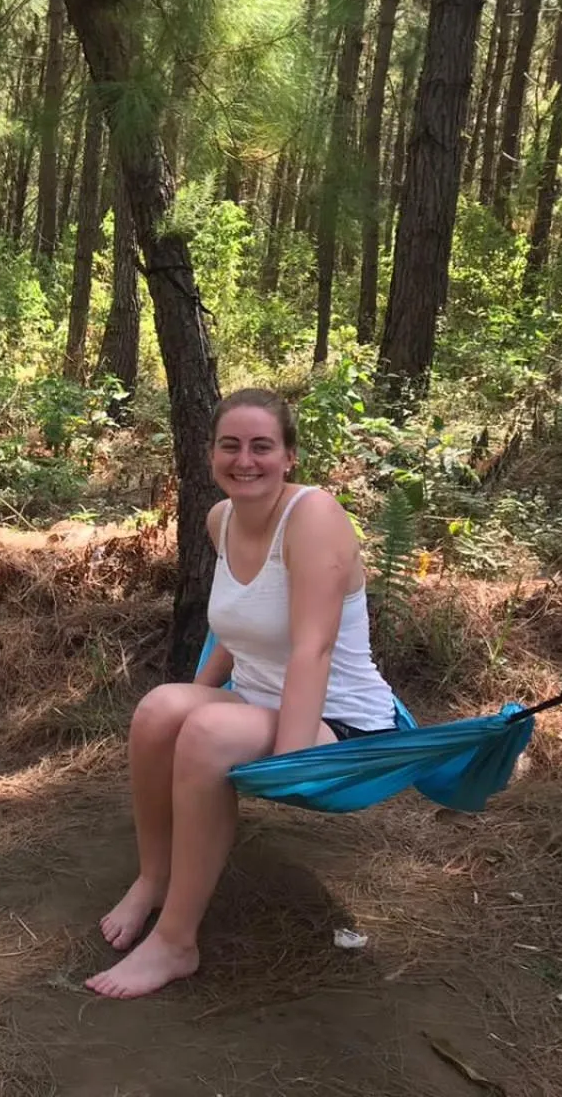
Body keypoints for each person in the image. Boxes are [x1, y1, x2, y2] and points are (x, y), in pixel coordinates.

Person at [88, 387, 401, 1000]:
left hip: (338, 722)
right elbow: (237, 628)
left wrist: (290, 766)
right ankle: (154, 878)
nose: (245, 460)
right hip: (258, 701)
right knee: (156, 711)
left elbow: (312, 648)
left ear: (289, 456)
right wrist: (188, 698)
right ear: (211, 454)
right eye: (230, 446)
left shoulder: (313, 517)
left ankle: (176, 943)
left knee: (206, 732)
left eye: (262, 446)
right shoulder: (221, 520)